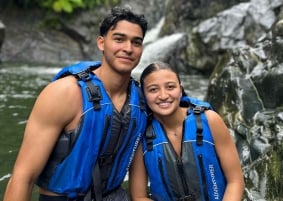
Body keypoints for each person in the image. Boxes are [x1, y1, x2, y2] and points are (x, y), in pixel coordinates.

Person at [4, 7, 148, 201]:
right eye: (119, 39)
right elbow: (23, 177)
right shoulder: (64, 93)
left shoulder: (141, 101)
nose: (128, 48)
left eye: (136, 42)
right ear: (101, 43)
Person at [129, 61, 245, 201]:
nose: (163, 95)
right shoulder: (141, 134)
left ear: (180, 89)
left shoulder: (210, 120)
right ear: (144, 95)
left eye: (170, 87)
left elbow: (235, 181)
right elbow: (139, 196)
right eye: (153, 89)